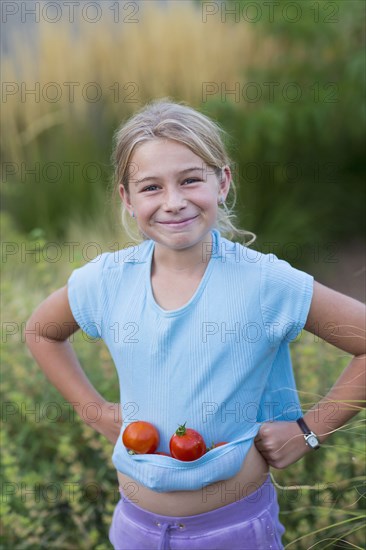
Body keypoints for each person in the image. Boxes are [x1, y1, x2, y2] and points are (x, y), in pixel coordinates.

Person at [25, 99, 365, 550]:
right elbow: (40, 331)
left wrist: (310, 430)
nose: (174, 201)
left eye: (190, 179)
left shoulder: (265, 282)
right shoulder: (106, 280)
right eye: (151, 187)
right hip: (134, 531)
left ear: (222, 182)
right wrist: (98, 413)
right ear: (126, 199)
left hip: (235, 532)